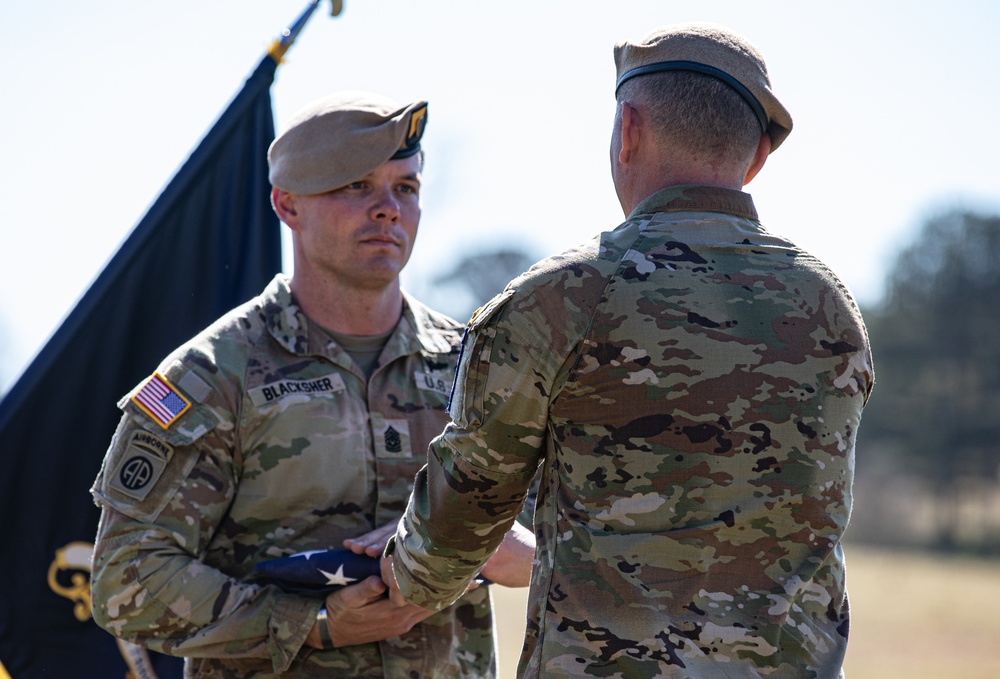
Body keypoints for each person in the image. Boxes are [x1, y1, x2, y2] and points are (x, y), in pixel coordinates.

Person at [382, 23, 875, 679]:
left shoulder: (558, 301)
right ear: (758, 157)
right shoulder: (831, 307)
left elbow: (456, 525)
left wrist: (387, 578)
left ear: (628, 129)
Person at [90, 91, 531, 678]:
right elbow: (127, 579)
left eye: (406, 188)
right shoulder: (214, 376)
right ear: (287, 205)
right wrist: (311, 626)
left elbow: (587, 537)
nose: (387, 209)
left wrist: (514, 552)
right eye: (356, 186)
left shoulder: (474, 370)